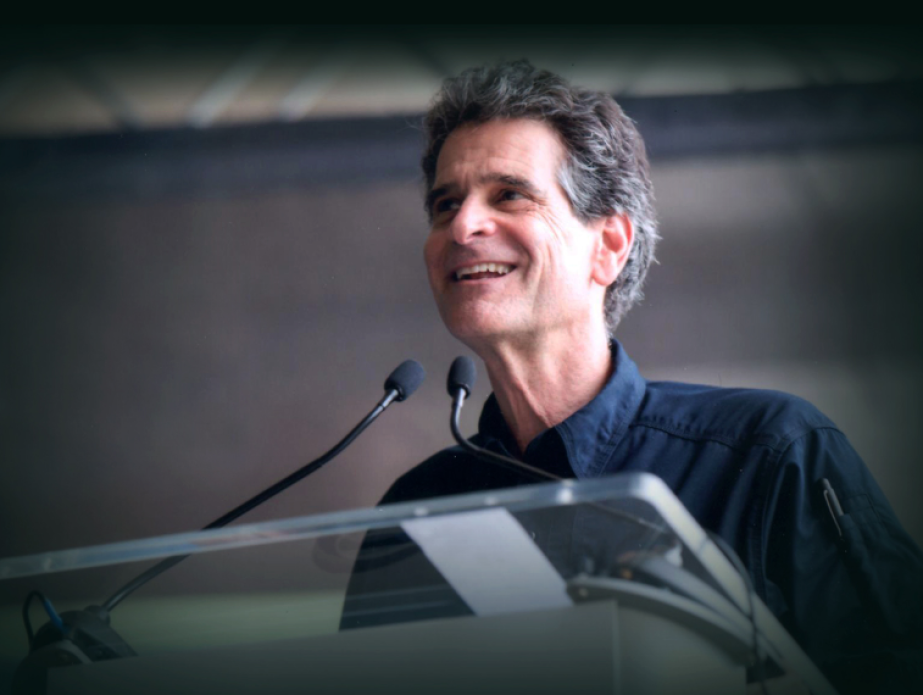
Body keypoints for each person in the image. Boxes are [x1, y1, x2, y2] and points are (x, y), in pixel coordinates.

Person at [341, 61, 923, 694]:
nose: (462, 226)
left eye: (508, 194)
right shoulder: (415, 509)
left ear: (609, 246)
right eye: (445, 203)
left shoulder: (774, 453)